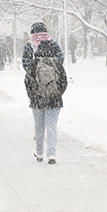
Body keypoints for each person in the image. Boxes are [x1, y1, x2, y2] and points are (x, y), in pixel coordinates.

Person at [24, 36, 67, 164]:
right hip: (54, 101)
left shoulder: (34, 63)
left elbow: (27, 82)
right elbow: (63, 82)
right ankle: (52, 154)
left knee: (39, 126)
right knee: (52, 126)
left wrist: (33, 95)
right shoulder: (57, 64)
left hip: (37, 101)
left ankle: (39, 152)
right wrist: (57, 93)